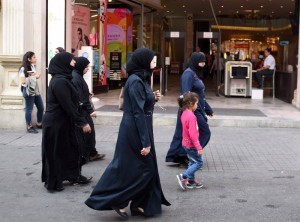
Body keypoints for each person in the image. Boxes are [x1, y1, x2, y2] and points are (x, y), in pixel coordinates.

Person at [85, 48, 170, 220]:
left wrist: (152, 97)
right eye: (153, 60)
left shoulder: (140, 79)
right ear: (143, 61)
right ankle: (121, 201)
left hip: (140, 127)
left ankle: (139, 204)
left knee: (138, 167)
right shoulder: (136, 81)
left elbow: (139, 103)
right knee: (142, 168)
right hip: (136, 129)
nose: (155, 63)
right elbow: (137, 112)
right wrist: (145, 142)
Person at [42, 52, 92, 192]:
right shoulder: (59, 82)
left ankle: (72, 175)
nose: (74, 63)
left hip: (63, 122)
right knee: (56, 152)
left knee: (70, 149)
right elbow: (68, 105)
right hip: (56, 123)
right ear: (63, 62)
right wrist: (82, 122)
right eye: (71, 61)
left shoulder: (64, 79)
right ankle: (55, 181)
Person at [166, 52, 213, 165]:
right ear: (194, 61)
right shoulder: (188, 74)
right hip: (191, 110)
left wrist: (208, 109)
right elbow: (186, 94)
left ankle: (182, 155)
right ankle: (186, 154)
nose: (203, 64)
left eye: (204, 62)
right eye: (201, 62)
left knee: (185, 133)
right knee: (204, 132)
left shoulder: (195, 74)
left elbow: (200, 95)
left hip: (197, 108)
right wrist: (190, 111)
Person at [72, 56, 106, 163]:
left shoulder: (78, 76)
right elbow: (81, 97)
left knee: (89, 132)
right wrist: (90, 110)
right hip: (82, 111)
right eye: (86, 66)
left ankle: (91, 152)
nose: (87, 69)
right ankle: (87, 154)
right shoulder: (76, 77)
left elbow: (82, 93)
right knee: (88, 131)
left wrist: (88, 93)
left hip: (83, 109)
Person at [176, 92, 204, 190]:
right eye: (196, 103)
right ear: (191, 104)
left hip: (185, 143)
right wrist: (199, 147)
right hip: (191, 145)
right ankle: (183, 176)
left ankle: (191, 180)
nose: (197, 105)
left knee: (192, 161)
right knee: (199, 163)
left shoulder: (184, 113)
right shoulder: (192, 117)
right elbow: (193, 135)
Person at [19, 51, 44, 133]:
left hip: (34, 89)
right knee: (29, 109)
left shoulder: (32, 66)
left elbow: (34, 77)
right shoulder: (23, 68)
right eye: (34, 57)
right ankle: (29, 126)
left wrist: (36, 76)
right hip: (28, 90)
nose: (36, 58)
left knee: (41, 107)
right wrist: (34, 76)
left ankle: (39, 123)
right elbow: (22, 81)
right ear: (29, 59)